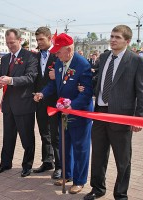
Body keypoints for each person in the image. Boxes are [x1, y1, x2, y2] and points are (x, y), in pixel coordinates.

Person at [83, 25, 143, 200]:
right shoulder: (104, 57)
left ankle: (120, 194)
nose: (113, 39)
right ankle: (97, 189)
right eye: (112, 36)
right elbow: (100, 80)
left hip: (121, 117)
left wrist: (139, 118)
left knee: (123, 160)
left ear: (127, 41)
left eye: (117, 37)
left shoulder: (136, 61)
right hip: (99, 113)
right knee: (98, 155)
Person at [34, 33, 93, 194]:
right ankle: (67, 175)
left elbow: (86, 93)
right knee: (65, 145)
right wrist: (43, 93)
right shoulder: (59, 63)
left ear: (69, 49)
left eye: (59, 51)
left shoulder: (83, 65)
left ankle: (79, 181)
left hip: (80, 114)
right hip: (64, 114)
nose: (56, 55)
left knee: (80, 148)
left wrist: (71, 106)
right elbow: (53, 84)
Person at [0, 29, 38, 177]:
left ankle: (27, 165)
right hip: (8, 105)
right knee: (8, 137)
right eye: (7, 43)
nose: (9, 46)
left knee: (27, 138)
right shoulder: (6, 58)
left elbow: (31, 77)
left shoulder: (30, 56)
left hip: (24, 104)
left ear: (20, 40)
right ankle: (5, 164)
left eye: (12, 42)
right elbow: (1, 76)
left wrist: (11, 81)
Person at [32, 27, 61, 179]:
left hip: (55, 102)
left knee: (55, 134)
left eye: (41, 39)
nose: (39, 42)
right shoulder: (35, 56)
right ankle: (47, 161)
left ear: (50, 38)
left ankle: (60, 165)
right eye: (37, 40)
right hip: (39, 101)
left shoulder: (58, 55)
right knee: (44, 133)